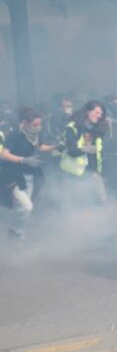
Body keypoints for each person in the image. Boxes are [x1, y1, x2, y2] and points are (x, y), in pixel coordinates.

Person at [0, 107, 56, 245]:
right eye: (35, 125)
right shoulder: (15, 135)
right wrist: (23, 160)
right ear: (25, 122)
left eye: (40, 124)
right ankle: (15, 232)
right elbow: (3, 154)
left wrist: (57, 146)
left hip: (31, 176)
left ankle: (18, 240)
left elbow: (41, 147)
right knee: (26, 207)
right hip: (15, 176)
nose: (39, 127)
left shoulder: (35, 135)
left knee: (24, 209)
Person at [60, 100, 109, 204]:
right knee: (78, 201)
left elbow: (98, 152)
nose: (99, 116)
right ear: (87, 111)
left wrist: (96, 169)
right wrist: (85, 149)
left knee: (101, 199)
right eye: (97, 112)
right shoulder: (72, 127)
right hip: (73, 172)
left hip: (91, 170)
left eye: (101, 114)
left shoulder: (97, 129)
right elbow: (71, 150)